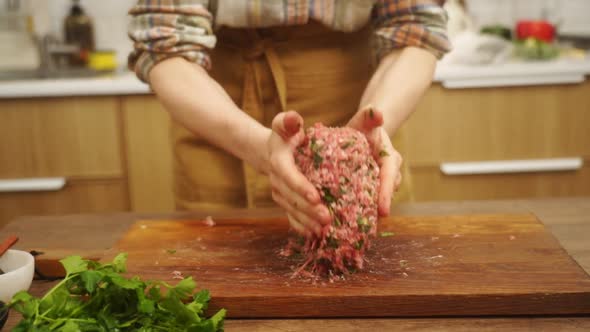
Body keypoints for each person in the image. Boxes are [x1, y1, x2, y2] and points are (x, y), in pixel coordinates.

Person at [128, 0, 450, 237]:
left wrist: (375, 123)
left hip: (361, 92)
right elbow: (165, 46)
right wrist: (258, 146)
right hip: (215, 110)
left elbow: (415, 29)